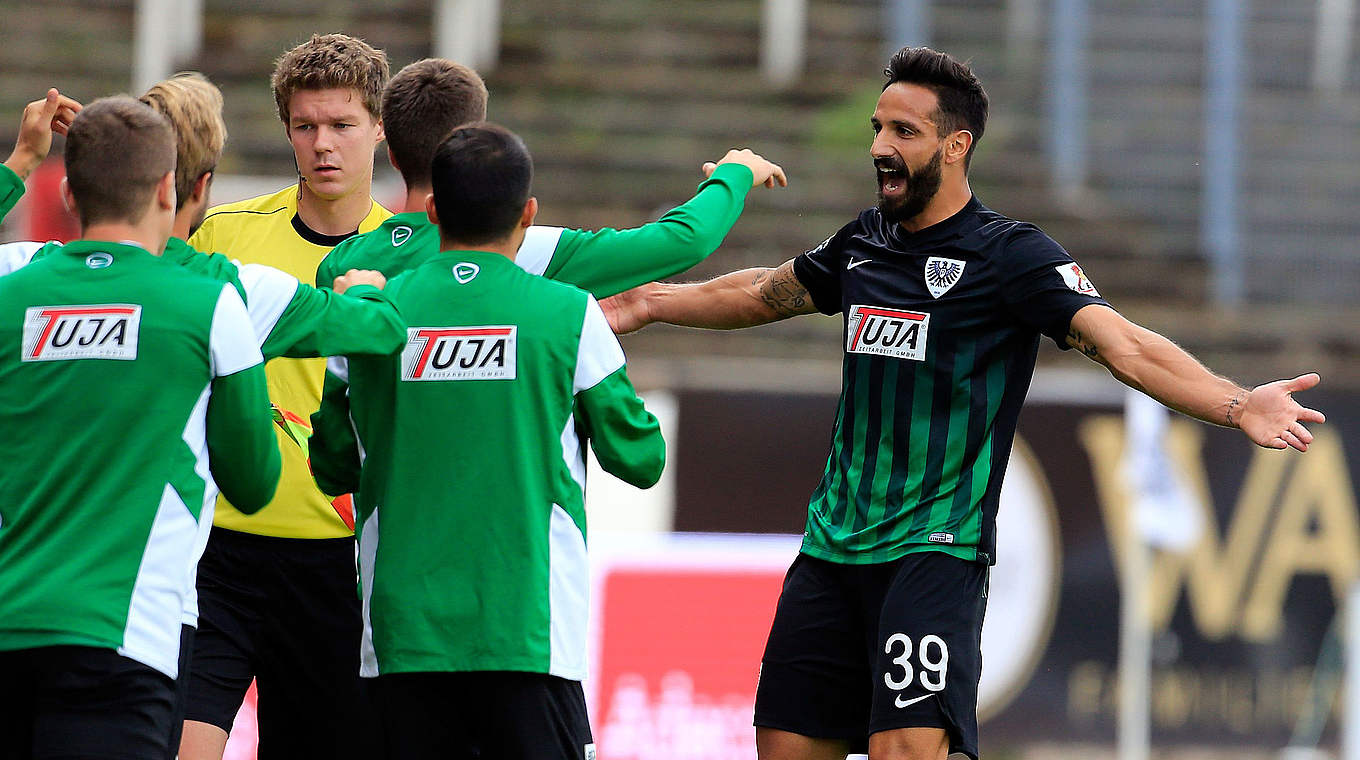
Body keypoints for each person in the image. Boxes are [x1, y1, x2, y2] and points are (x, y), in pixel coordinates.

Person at [602, 47, 1326, 760]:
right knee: (785, 747)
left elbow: (1125, 346)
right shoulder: (864, 243)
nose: (882, 148)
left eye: (904, 133)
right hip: (830, 549)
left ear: (957, 146)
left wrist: (1237, 405)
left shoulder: (1011, 256)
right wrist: (648, 302)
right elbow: (763, 292)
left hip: (933, 553)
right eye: (878, 129)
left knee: (907, 750)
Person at [309, 122, 665, 760]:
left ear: (433, 211)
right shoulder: (569, 312)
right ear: (530, 213)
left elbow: (331, 466)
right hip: (529, 632)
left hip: (403, 634)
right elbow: (640, 459)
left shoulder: (370, 315)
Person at [0, 96, 280, 760]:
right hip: (128, 639)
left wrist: (19, 161)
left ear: (68, 191)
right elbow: (253, 483)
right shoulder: (212, 305)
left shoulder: (11, 288)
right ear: (166, 189)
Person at [177, 34, 395, 760]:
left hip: (341, 571)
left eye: (342, 125)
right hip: (217, 554)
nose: (322, 145)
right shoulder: (223, 237)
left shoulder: (412, 253)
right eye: (306, 127)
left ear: (381, 127)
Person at [316, 57, 787, 295]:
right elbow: (683, 241)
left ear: (392, 154)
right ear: (477, 144)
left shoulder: (342, 268)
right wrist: (734, 174)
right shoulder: (527, 253)